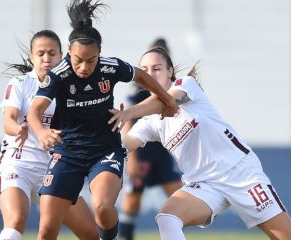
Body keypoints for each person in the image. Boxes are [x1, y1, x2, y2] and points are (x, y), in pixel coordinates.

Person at [109, 47, 291, 240]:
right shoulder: (149, 123)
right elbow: (125, 144)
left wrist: (128, 113)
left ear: (170, 71)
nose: (150, 74)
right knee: (168, 218)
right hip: (204, 185)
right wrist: (96, 147)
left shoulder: (187, 85)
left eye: (156, 68)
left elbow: (167, 102)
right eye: (145, 70)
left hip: (240, 173)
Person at [26, 1, 178, 240]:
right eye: (78, 59)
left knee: (103, 207)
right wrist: (41, 132)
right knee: (46, 230)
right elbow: (34, 111)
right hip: (67, 153)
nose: (84, 67)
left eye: (91, 60)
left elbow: (139, 75)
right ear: (68, 51)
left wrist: (167, 99)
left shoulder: (110, 67)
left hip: (104, 150)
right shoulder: (58, 75)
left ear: (100, 53)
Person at [0, 30, 98, 240]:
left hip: (55, 169)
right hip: (18, 164)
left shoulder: (72, 87)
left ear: (62, 55)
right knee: (15, 221)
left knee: (92, 234)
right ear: (32, 57)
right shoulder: (20, 84)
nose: (46, 59)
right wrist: (19, 129)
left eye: (52, 53)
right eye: (40, 53)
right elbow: (8, 121)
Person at [118, 39, 182, 240]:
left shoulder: (181, 87)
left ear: (169, 67)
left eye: (158, 66)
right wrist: (133, 158)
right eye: (148, 67)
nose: (153, 71)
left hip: (162, 154)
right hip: (142, 152)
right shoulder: (139, 90)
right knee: (132, 200)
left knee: (179, 196)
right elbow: (129, 122)